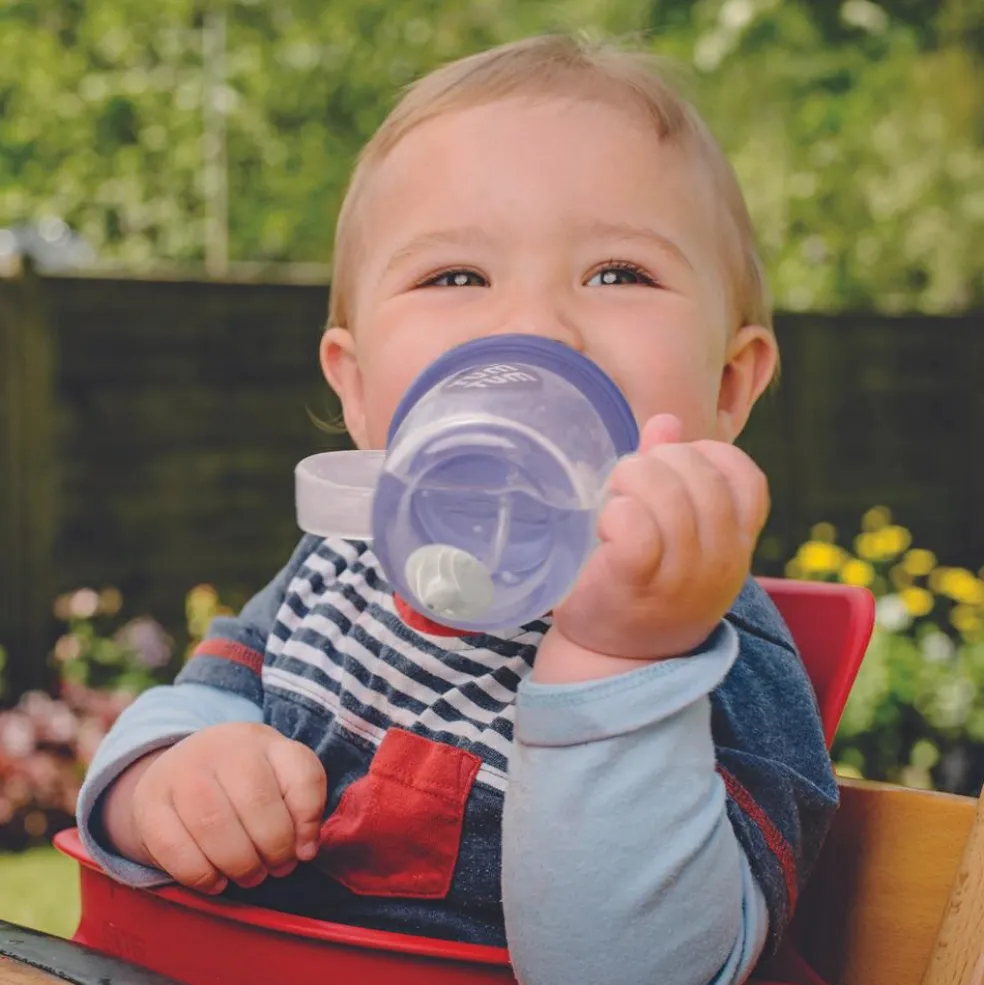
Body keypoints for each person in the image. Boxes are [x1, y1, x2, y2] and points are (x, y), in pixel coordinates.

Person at [76, 34, 837, 985]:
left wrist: (618, 659)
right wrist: (168, 778)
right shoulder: (340, 566)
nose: (532, 327)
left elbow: (635, 969)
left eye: (617, 273)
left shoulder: (712, 649)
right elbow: (194, 704)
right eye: (456, 277)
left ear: (729, 387)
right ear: (358, 394)